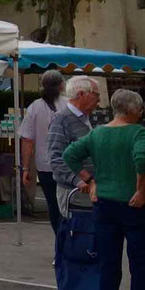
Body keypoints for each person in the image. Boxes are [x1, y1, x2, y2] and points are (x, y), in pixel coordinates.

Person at [61, 89, 145, 290]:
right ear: (132, 110)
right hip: (134, 206)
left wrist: (90, 180)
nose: (141, 113)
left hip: (104, 204)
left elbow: (69, 155)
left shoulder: (97, 133)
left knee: (108, 264)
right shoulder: (138, 133)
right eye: (140, 109)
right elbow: (142, 159)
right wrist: (141, 189)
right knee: (140, 266)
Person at [20, 70, 65, 236]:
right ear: (61, 86)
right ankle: (69, 242)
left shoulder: (34, 107)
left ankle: (59, 242)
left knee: (53, 206)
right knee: (68, 206)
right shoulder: (69, 105)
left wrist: (25, 168)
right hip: (67, 163)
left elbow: (27, 140)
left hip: (44, 164)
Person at [48, 75, 100, 217]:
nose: (99, 100)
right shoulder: (61, 120)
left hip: (89, 191)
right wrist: (78, 181)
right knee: (77, 234)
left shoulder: (86, 119)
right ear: (82, 94)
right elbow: (55, 159)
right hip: (75, 193)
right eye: (96, 95)